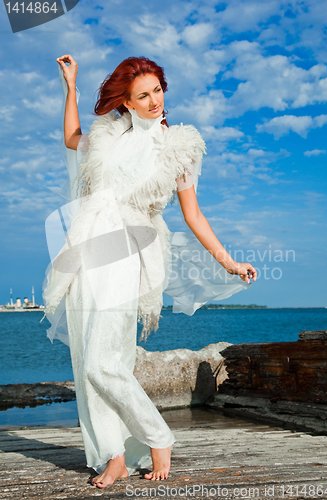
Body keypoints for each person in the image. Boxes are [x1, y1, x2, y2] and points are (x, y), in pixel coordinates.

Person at [42, 54, 257, 489]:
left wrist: (229, 262)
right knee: (88, 361)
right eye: (144, 94)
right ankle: (114, 455)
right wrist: (71, 87)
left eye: (158, 90)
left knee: (105, 361)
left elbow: (193, 215)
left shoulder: (177, 147)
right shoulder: (109, 136)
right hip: (89, 245)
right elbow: (70, 138)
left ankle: (158, 437)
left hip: (130, 249)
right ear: (127, 100)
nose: (155, 100)